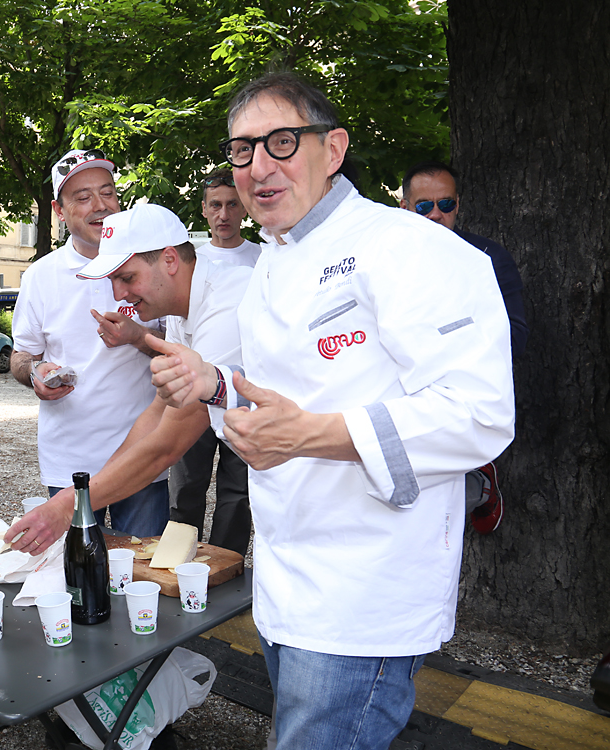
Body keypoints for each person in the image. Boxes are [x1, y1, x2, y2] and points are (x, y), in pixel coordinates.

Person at [151, 72, 514, 749]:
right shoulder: (269, 265)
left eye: (280, 142)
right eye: (240, 150)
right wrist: (212, 384)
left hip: (363, 588)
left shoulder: (410, 248)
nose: (257, 166)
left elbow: (479, 414)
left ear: (334, 147)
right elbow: (275, 407)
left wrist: (311, 435)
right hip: (285, 575)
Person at [6, 204, 252, 552]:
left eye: (126, 277)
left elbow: (169, 440)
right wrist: (90, 489)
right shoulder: (183, 309)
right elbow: (156, 414)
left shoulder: (227, 303)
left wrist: (68, 506)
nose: (119, 295)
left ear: (169, 260)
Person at [9, 149, 168, 541]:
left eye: (108, 192)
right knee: (78, 577)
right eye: (82, 197)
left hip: (142, 456)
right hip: (70, 460)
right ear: (58, 211)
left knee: (143, 575)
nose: (100, 206)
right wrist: (35, 374)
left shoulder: (151, 263)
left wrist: (138, 337)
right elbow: (20, 356)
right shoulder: (41, 276)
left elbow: (181, 348)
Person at [401, 160, 529, 534]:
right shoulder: (385, 261)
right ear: (406, 208)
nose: (436, 215)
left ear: (459, 205)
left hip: (462, 394)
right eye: (424, 206)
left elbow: (515, 336)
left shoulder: (488, 257)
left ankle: (478, 483)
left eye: (446, 204)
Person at [167, 168, 262, 555]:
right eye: (215, 205)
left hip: (241, 394)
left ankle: (227, 562)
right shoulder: (189, 261)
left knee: (237, 492)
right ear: (204, 210)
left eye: (231, 205)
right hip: (194, 395)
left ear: (244, 209)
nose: (224, 214)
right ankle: (178, 559)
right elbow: (174, 326)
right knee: (186, 487)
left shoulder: (262, 258)